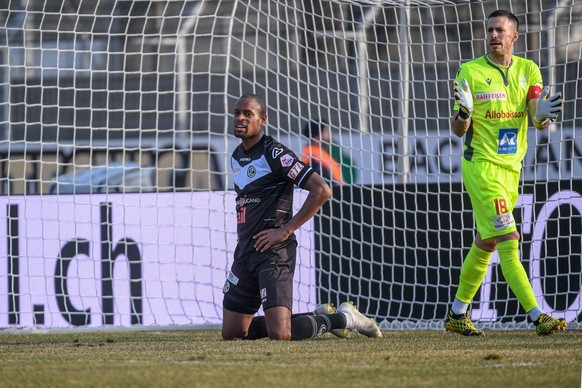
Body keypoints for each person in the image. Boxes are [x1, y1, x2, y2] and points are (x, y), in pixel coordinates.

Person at [221, 93, 382, 340]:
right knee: (232, 333)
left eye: (247, 114)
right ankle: (318, 315)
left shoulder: (275, 153)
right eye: (237, 113)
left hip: (273, 252)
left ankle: (346, 318)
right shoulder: (237, 155)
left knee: (280, 333)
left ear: (262, 120)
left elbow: (322, 190)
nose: (240, 118)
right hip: (245, 252)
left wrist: (284, 230)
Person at [446, 10, 566, 336]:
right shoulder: (469, 72)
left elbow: (538, 116)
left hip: (512, 170)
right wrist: (464, 113)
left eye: (500, 30)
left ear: (514, 36)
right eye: (490, 30)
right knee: (509, 240)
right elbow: (458, 130)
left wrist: (541, 114)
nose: (493, 35)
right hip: (482, 168)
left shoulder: (529, 70)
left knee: (485, 242)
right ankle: (538, 316)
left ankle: (457, 313)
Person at [301, 119, 353, 186]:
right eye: (326, 131)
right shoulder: (313, 156)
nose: (329, 134)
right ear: (317, 136)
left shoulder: (319, 152)